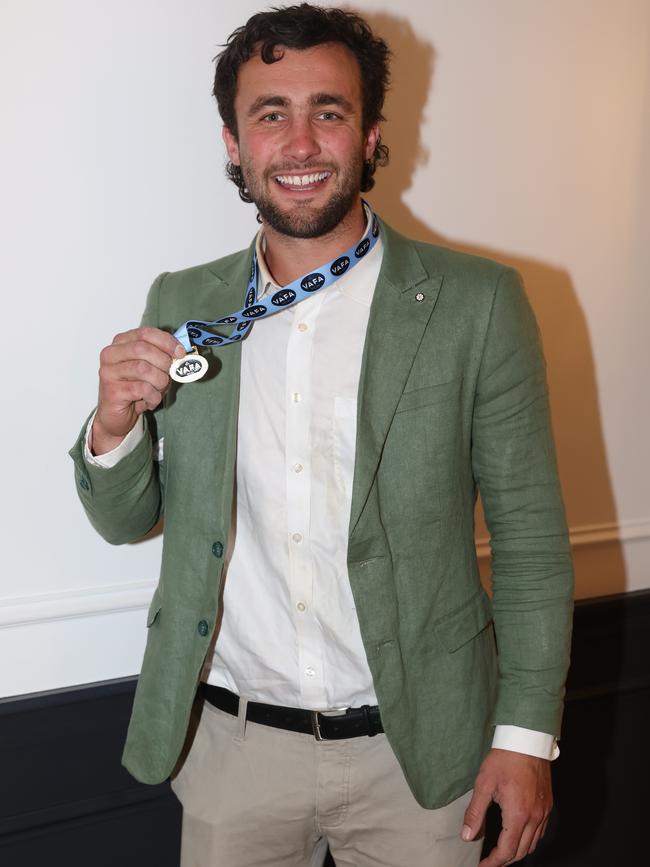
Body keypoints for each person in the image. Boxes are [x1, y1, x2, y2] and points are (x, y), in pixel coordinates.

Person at [69, 5, 574, 866]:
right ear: (234, 142)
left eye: (328, 112)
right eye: (271, 114)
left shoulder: (477, 302)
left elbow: (530, 537)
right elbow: (126, 521)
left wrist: (525, 738)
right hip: (233, 751)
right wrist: (111, 423)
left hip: (421, 754)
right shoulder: (182, 303)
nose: (299, 144)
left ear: (371, 134)